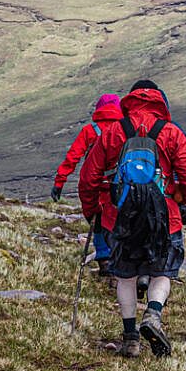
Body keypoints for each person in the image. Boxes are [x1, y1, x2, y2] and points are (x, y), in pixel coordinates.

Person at [79, 80, 186, 359]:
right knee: (162, 272)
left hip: (119, 217)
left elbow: (89, 177)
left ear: (130, 100)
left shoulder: (112, 132)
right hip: (163, 218)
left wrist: (92, 209)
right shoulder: (171, 133)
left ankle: (131, 338)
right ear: (160, 102)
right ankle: (153, 314)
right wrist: (178, 199)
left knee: (126, 276)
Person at [51, 92, 123, 275]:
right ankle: (120, 259)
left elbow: (72, 157)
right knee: (119, 221)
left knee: (97, 220)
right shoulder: (125, 130)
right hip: (119, 186)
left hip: (95, 185)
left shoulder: (90, 131)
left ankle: (104, 259)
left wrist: (60, 181)